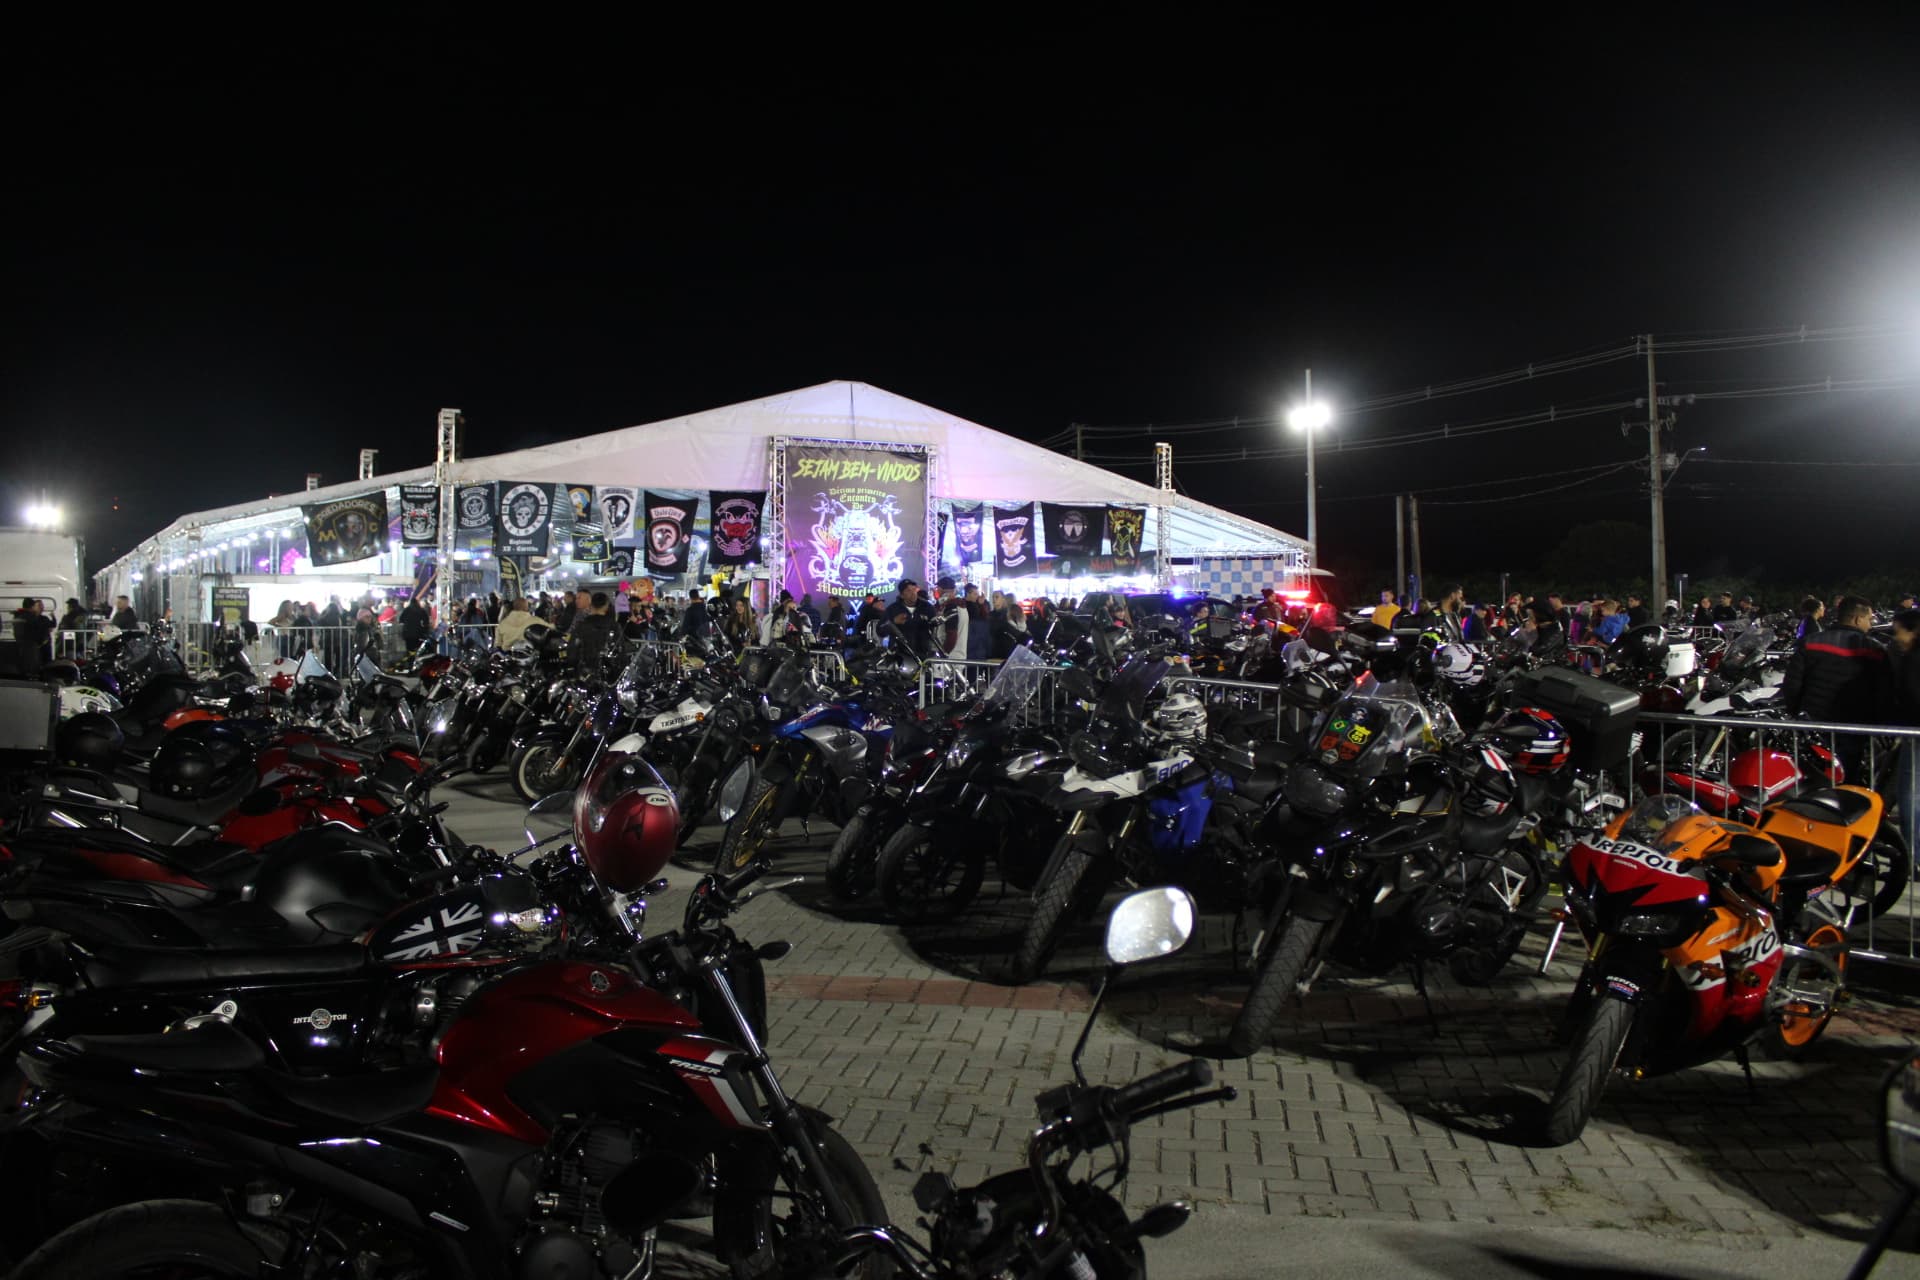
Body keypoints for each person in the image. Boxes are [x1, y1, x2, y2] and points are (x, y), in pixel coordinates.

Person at [1782, 596, 1891, 777]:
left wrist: (1798, 713)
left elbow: (1791, 685)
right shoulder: (1875, 650)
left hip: (1812, 726)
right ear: (1857, 619)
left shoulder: (1810, 642)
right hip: (1853, 729)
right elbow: (1883, 693)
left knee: (1811, 779)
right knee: (1846, 781)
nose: (1871, 625)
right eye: (1869, 619)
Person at [1888, 609, 1920, 869]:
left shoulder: (1913, 659)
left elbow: (1910, 697)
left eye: (1899, 630)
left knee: (1910, 794)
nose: (1896, 636)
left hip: (1915, 734)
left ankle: (1914, 855)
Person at [570, 591, 620, 674]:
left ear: (591, 605)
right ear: (606, 606)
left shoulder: (582, 625)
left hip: (585, 670)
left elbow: (573, 650)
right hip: (607, 671)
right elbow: (620, 649)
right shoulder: (614, 626)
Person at [887, 578, 933, 654]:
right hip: (899, 655)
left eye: (914, 589)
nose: (913, 593)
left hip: (923, 654)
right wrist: (893, 622)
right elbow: (880, 630)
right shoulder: (892, 609)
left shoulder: (927, 607)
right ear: (902, 595)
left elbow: (934, 629)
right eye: (908, 590)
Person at [9, 598, 53, 675]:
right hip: (31, 647)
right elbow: (38, 632)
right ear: (32, 607)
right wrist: (43, 640)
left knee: (24, 667)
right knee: (33, 670)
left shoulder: (17, 616)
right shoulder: (31, 617)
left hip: (20, 646)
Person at [962, 583, 993, 660]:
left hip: (977, 643)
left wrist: (981, 605)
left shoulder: (978, 604)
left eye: (977, 594)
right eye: (975, 594)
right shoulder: (963, 605)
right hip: (968, 640)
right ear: (968, 594)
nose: (977, 596)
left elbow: (985, 618)